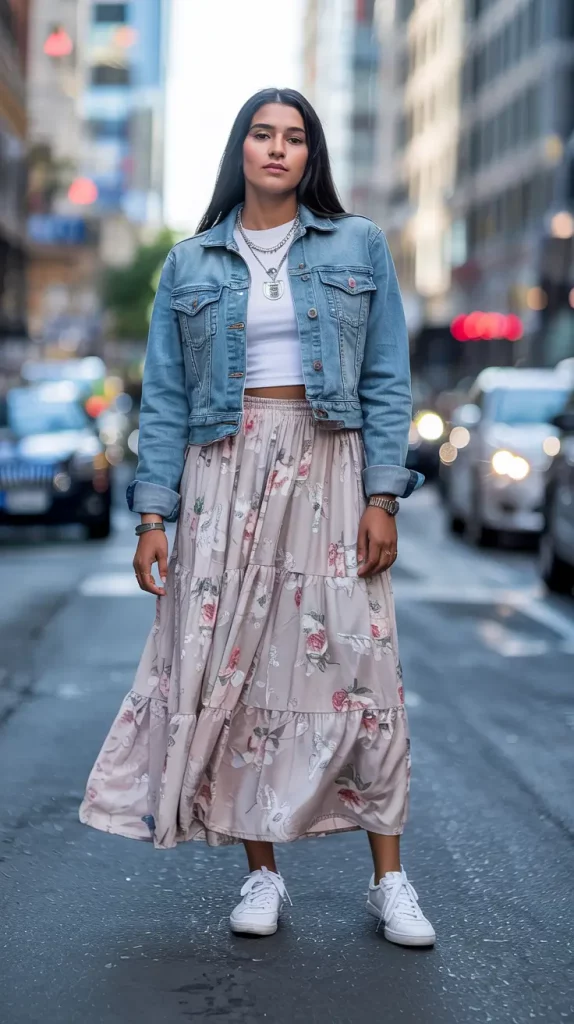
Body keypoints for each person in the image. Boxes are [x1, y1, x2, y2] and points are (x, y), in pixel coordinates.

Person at [79, 87, 435, 948]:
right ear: (240, 148)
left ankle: (391, 880)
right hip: (221, 475)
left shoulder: (359, 245)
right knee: (237, 675)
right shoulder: (189, 262)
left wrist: (383, 498)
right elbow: (163, 400)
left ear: (311, 156)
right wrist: (153, 516)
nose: (278, 149)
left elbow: (387, 376)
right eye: (262, 135)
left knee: (360, 670)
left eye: (295, 138)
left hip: (330, 467)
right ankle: (262, 875)